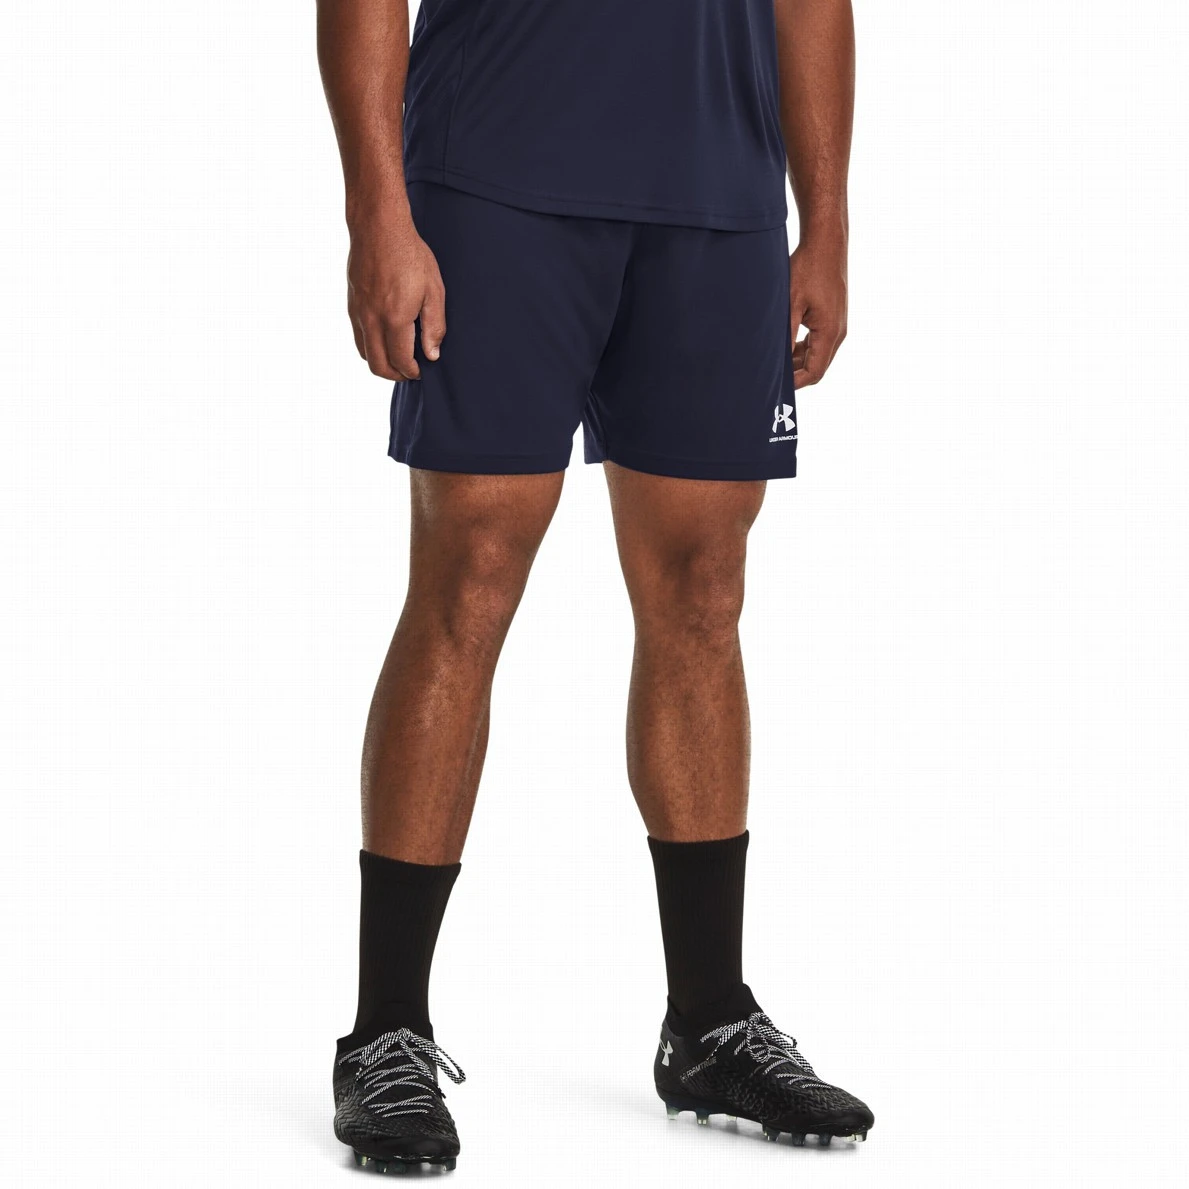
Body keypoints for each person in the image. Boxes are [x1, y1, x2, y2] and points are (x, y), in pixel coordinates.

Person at [316, 0, 871, 1172]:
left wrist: (824, 219)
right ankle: (385, 1031)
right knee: (469, 572)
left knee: (704, 585)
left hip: (718, 191)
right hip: (496, 176)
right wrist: (376, 209)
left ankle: (709, 1021)